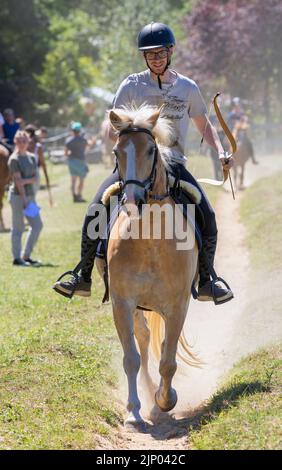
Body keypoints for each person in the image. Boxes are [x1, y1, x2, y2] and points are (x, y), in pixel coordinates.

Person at [53, 22, 234, 304]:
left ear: (171, 51)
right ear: (144, 57)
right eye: (150, 55)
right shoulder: (131, 85)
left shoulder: (187, 87)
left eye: (160, 53)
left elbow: (203, 125)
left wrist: (221, 150)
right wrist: (113, 132)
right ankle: (83, 275)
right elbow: (113, 121)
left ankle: (208, 279)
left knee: (206, 214)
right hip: (134, 165)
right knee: (95, 209)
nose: (156, 59)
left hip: (173, 163)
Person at [8, 130, 43, 266]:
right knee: (18, 228)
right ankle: (17, 259)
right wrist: (24, 201)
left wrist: (25, 181)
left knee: (37, 225)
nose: (22, 143)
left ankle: (26, 256)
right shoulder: (14, 159)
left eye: (25, 141)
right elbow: (18, 182)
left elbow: (35, 178)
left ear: (28, 142)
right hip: (18, 198)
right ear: (15, 142)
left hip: (30, 197)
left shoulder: (32, 157)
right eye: (19, 141)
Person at [65, 122, 95, 202]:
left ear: (73, 131)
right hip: (81, 161)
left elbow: (66, 153)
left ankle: (74, 196)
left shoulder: (68, 141)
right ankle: (79, 195)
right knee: (81, 181)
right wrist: (92, 139)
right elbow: (90, 145)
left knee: (73, 181)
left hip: (71, 161)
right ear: (79, 130)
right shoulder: (84, 140)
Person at [25, 124, 50, 192]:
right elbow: (43, 162)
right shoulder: (37, 146)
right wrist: (46, 176)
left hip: (23, 171)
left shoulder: (22, 145)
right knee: (32, 194)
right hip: (33, 172)